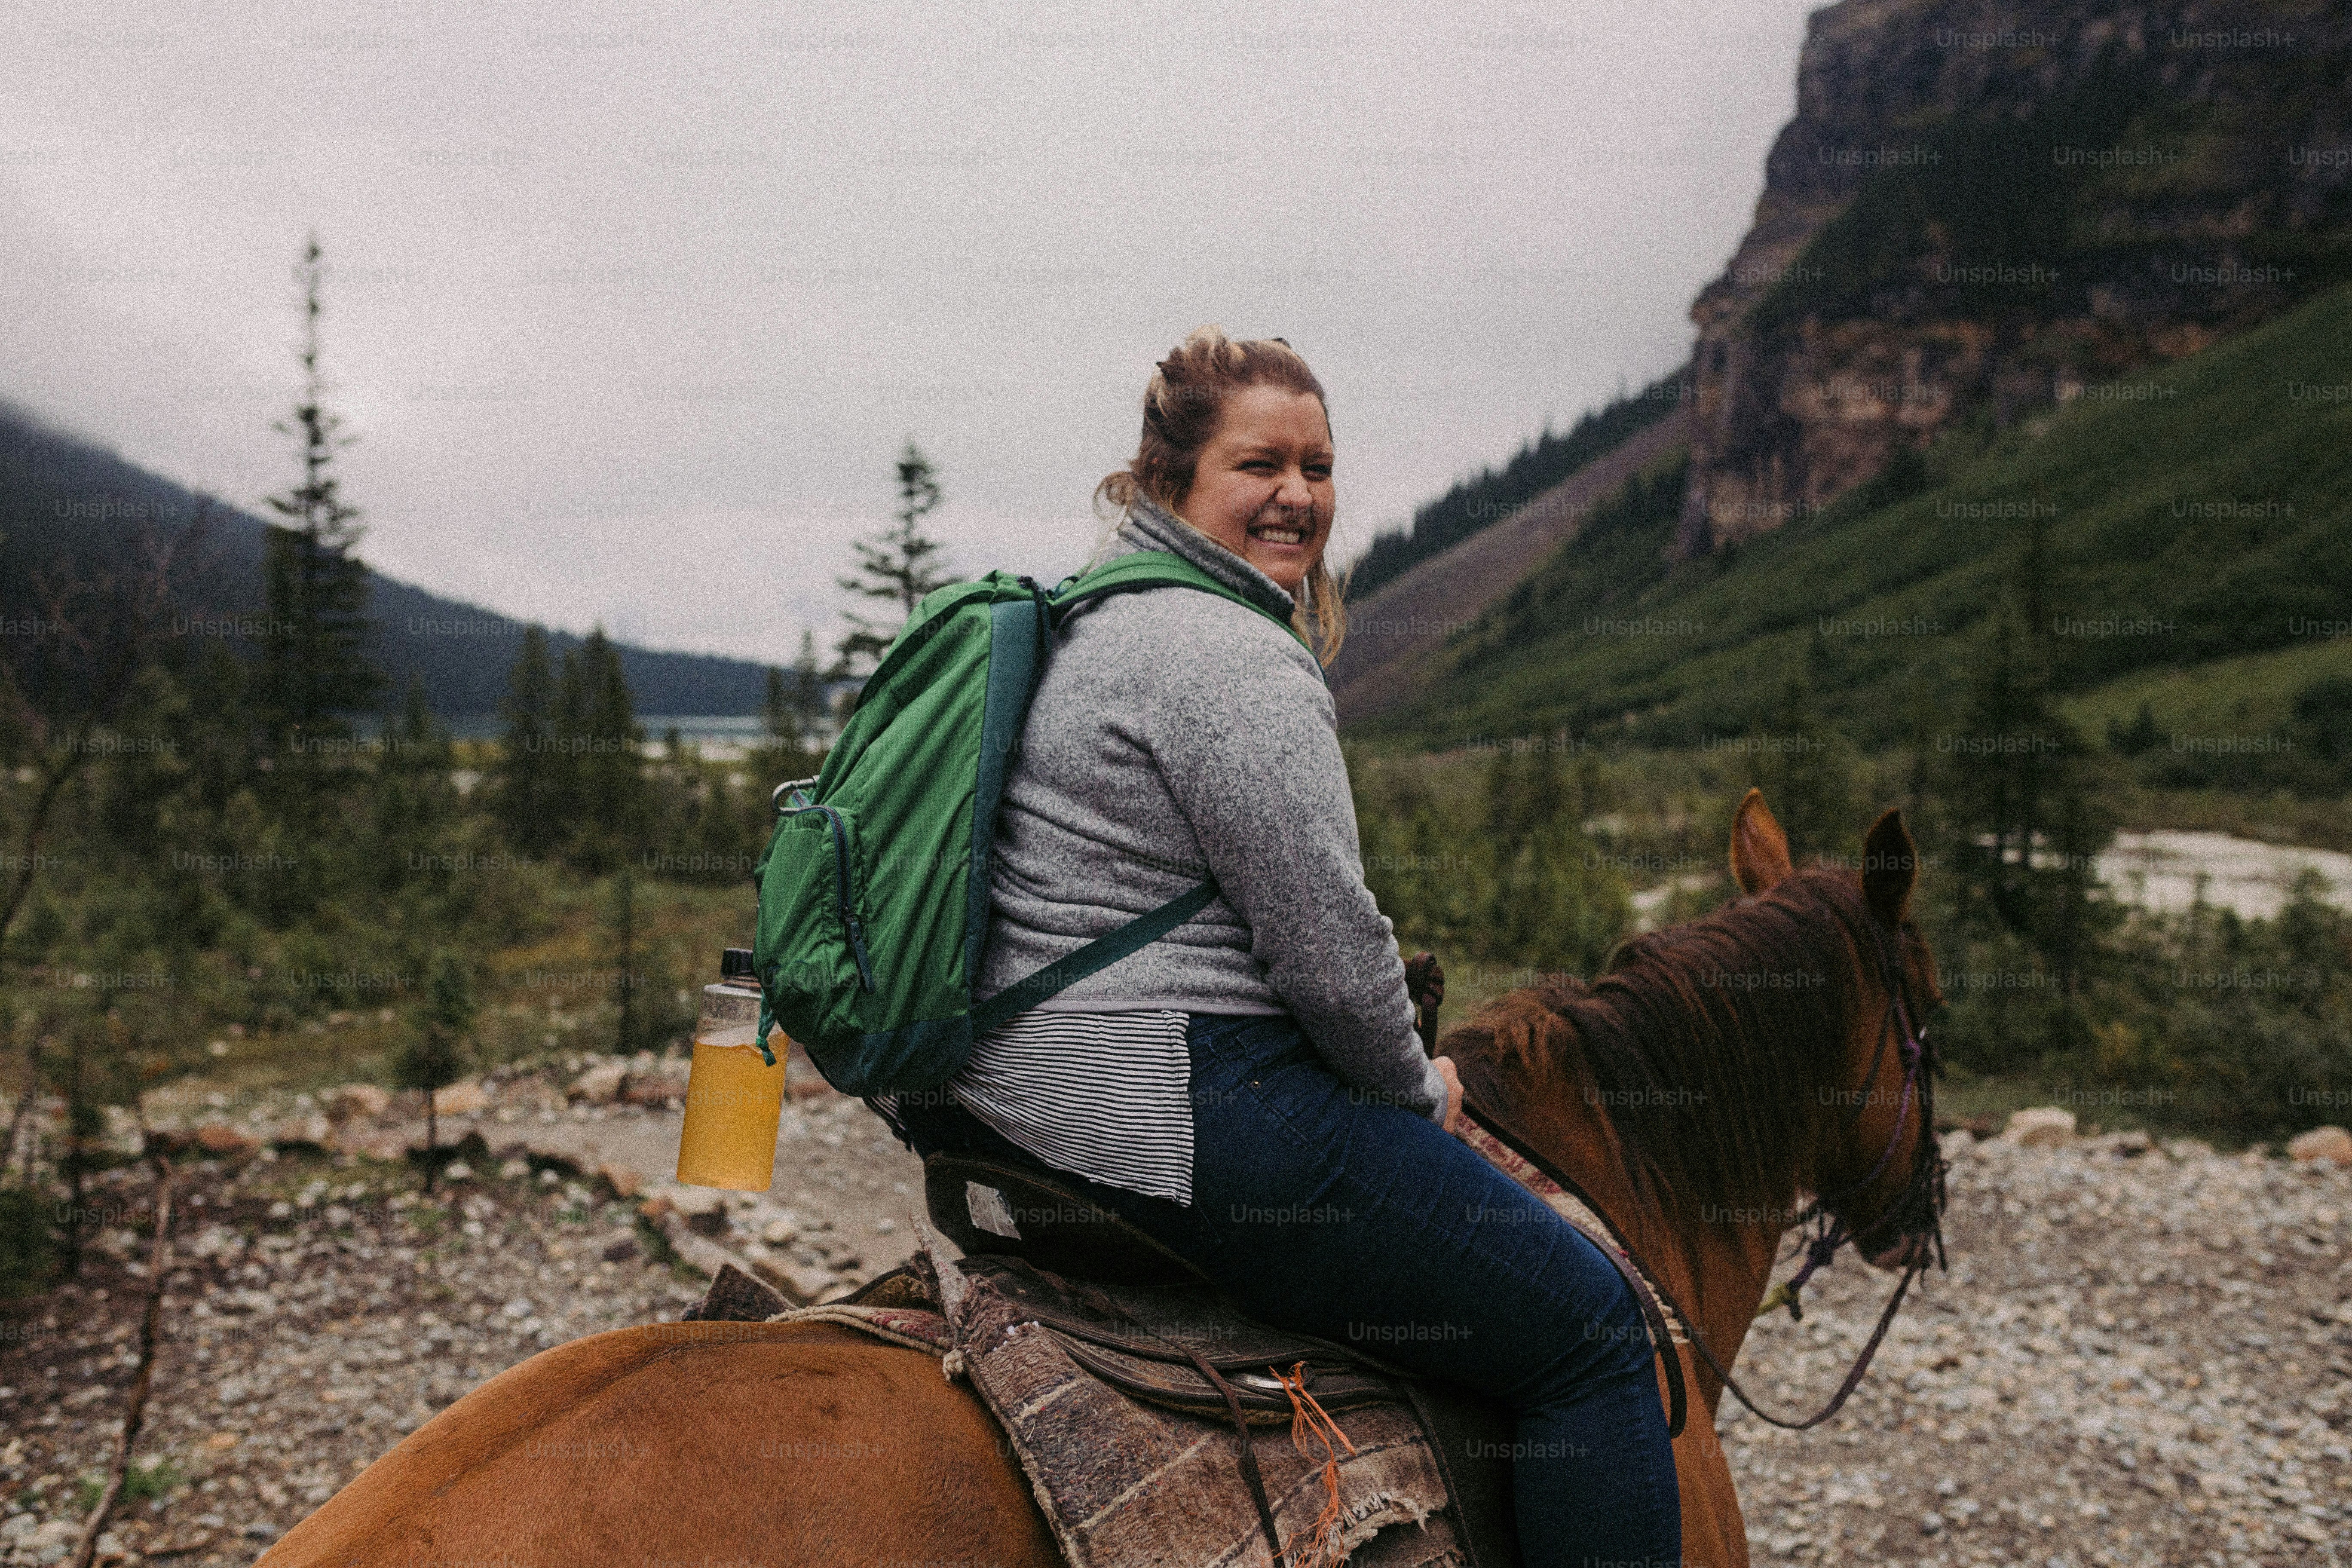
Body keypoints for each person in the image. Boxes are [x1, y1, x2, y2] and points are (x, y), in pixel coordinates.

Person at [873, 325, 1681, 1567]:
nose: (1297, 494)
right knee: (1591, 1333)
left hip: (999, 1101)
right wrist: (1417, 1087)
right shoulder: (1230, 651)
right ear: (1171, 482)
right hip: (1170, 1101)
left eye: (1319, 464)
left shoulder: (1096, 620)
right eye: (1260, 464)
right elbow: (1330, 957)